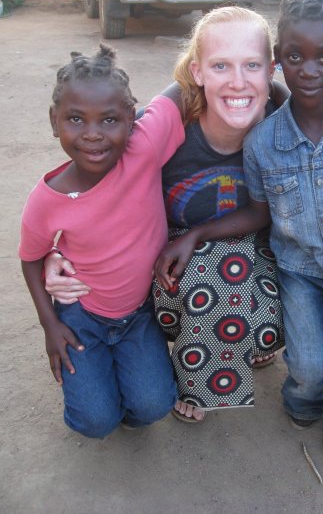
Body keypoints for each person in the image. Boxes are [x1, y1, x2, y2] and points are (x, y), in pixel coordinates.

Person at [44, 7, 323, 424]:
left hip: (262, 253)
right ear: (198, 71)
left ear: (271, 69)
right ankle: (197, 372)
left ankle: (249, 339)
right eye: (220, 66)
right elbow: (94, 174)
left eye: (252, 65)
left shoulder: (289, 125)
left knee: (252, 278)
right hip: (167, 264)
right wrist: (57, 251)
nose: (238, 81)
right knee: (214, 272)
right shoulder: (167, 125)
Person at [155, 0, 323, 461]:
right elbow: (259, 213)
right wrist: (193, 235)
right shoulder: (254, 140)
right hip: (294, 273)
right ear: (280, 61)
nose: (309, 70)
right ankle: (302, 397)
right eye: (295, 57)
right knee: (308, 364)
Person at [19, 44, 185, 438]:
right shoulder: (47, 200)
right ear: (54, 121)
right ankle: (99, 392)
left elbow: (183, 85)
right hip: (82, 316)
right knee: (95, 422)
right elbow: (30, 258)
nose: (93, 134)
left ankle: (121, 389)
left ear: (132, 119)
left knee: (153, 406)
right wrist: (49, 325)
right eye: (76, 119)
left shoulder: (143, 147)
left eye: (109, 120)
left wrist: (274, 82)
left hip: (140, 313)